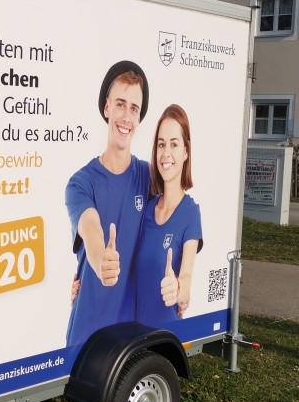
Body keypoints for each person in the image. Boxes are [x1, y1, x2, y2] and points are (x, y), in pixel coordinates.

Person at [64, 61, 151, 347]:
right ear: (107, 108)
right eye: (120, 105)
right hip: (87, 335)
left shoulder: (149, 178)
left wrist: (182, 281)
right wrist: (101, 259)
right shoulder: (80, 183)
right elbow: (90, 226)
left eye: (134, 109)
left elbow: (179, 216)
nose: (126, 116)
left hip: (132, 334)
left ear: (139, 118)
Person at [136, 104, 202, 324]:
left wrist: (178, 289)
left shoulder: (190, 213)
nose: (166, 153)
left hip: (164, 337)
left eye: (174, 144)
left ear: (186, 151)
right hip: (133, 335)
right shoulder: (147, 210)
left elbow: (186, 276)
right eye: (161, 144)